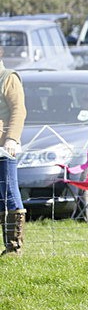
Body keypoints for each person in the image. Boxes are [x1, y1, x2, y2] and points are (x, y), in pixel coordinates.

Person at [0, 46, 27, 256]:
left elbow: (19, 110)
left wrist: (11, 138)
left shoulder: (8, 78)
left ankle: (14, 246)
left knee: (9, 193)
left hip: (4, 148)